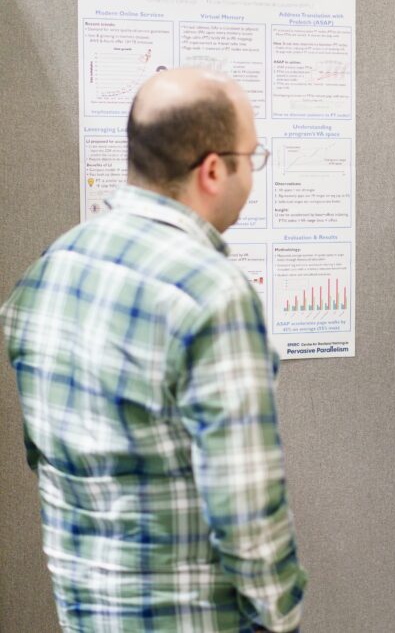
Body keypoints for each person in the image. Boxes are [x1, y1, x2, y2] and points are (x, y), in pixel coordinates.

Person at [0, 68, 306, 632]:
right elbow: (245, 506)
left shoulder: (48, 270)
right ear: (214, 169)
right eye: (252, 157)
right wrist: (281, 613)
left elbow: (42, 459)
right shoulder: (211, 292)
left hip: (85, 612)